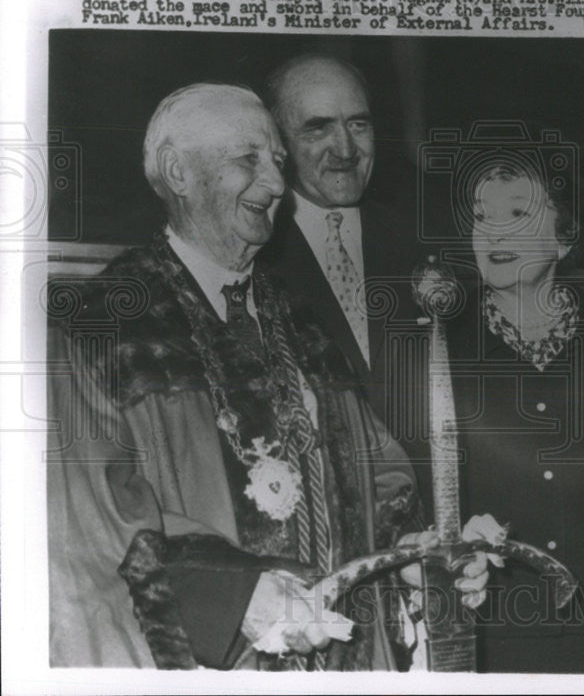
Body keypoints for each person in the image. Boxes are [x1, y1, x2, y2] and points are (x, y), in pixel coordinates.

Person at [46, 83, 490, 671]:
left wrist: (405, 556)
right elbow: (89, 529)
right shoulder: (103, 326)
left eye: (278, 161)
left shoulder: (298, 318)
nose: (279, 184)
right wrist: (233, 598)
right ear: (179, 172)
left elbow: (375, 476)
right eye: (247, 159)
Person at [443, 160, 584, 673]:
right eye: (482, 216)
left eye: (518, 213)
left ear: (564, 240)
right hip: (491, 626)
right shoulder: (441, 346)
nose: (494, 232)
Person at [257, 53, 429, 437]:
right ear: (277, 141)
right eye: (318, 129)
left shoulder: (423, 241)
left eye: (358, 124)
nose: (347, 149)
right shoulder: (254, 253)